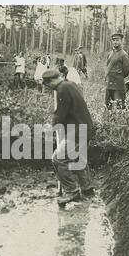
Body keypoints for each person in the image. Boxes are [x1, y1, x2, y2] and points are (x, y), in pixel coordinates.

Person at [42, 69, 95, 206]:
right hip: (84, 127)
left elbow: (61, 113)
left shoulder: (62, 89)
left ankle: (72, 191)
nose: (49, 88)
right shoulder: (70, 84)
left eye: (48, 85)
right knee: (78, 158)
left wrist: (51, 126)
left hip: (77, 131)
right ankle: (87, 189)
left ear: (52, 81)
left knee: (58, 159)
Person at [105, 32, 129, 109]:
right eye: (113, 40)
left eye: (117, 40)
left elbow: (127, 70)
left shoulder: (123, 54)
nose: (115, 42)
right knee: (107, 107)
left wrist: (118, 76)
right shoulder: (110, 53)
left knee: (119, 108)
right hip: (109, 85)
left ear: (121, 41)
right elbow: (107, 67)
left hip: (118, 86)